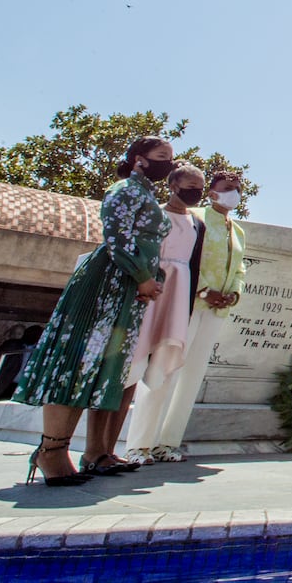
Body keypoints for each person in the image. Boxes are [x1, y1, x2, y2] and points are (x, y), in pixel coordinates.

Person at [13, 136, 172, 486]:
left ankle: (83, 451)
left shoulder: (147, 196)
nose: (169, 164)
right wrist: (143, 276)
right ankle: (51, 450)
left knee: (100, 367)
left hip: (127, 291)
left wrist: (149, 280)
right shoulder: (124, 189)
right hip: (105, 284)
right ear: (138, 159)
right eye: (162, 157)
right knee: (78, 360)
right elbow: (117, 235)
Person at [119, 163, 208, 465]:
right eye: (190, 185)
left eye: (200, 186)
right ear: (173, 185)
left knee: (164, 368)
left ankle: (150, 443)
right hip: (150, 290)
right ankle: (129, 446)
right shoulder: (154, 214)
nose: (195, 191)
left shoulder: (198, 224)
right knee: (132, 365)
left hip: (178, 295)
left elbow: (194, 265)